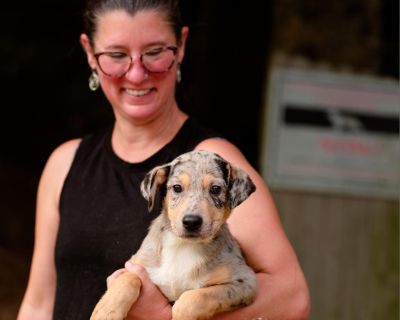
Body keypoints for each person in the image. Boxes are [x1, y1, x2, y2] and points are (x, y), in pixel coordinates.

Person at [17, 0, 310, 319]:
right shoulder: (65, 162)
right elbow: (38, 303)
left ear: (181, 46)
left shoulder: (213, 162)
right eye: (116, 55)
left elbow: (291, 297)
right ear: (90, 53)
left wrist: (163, 317)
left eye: (155, 53)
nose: (137, 73)